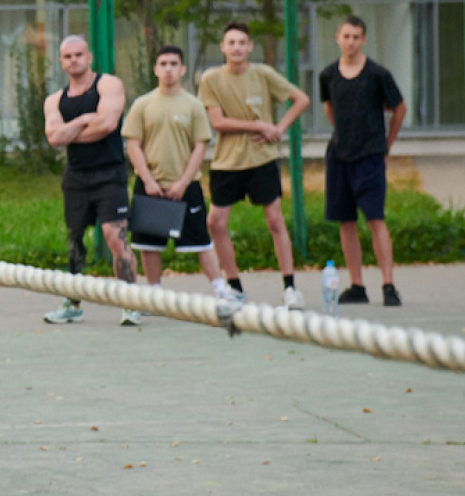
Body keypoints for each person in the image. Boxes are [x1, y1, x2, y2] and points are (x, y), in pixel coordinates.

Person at [199, 21, 312, 309]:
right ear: (223, 47)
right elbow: (218, 122)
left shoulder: (263, 74)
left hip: (262, 159)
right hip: (227, 162)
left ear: (250, 46)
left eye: (242, 42)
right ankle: (234, 287)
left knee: (275, 220)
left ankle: (290, 287)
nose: (236, 47)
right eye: (231, 43)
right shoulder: (211, 79)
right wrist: (257, 124)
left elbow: (301, 99)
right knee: (215, 222)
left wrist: (278, 128)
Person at [123, 46, 238, 300]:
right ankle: (155, 293)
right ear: (155, 69)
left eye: (174, 64)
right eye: (163, 64)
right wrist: (148, 180)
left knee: (201, 240)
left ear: (182, 69)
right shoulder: (142, 105)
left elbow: (199, 147)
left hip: (186, 188)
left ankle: (220, 289)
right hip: (151, 187)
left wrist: (183, 183)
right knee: (148, 244)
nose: (168, 69)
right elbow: (134, 145)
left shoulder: (194, 106)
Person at [41, 35, 139, 326]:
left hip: (110, 174)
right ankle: (72, 304)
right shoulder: (54, 100)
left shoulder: (108, 84)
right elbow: (54, 137)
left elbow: (108, 124)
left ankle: (131, 303)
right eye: (68, 56)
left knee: (115, 237)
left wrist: (71, 128)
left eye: (79, 54)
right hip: (76, 177)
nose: (74, 60)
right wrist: (86, 119)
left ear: (89, 56)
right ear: (61, 62)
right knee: (74, 239)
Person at [319, 15, 406, 306]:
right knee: (346, 221)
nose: (351, 42)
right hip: (339, 156)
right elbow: (330, 108)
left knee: (375, 219)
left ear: (364, 39)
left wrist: (386, 144)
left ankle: (388, 284)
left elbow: (399, 108)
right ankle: (357, 285)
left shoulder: (378, 74)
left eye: (356, 37)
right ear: (337, 38)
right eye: (346, 36)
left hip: (369, 156)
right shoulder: (328, 75)